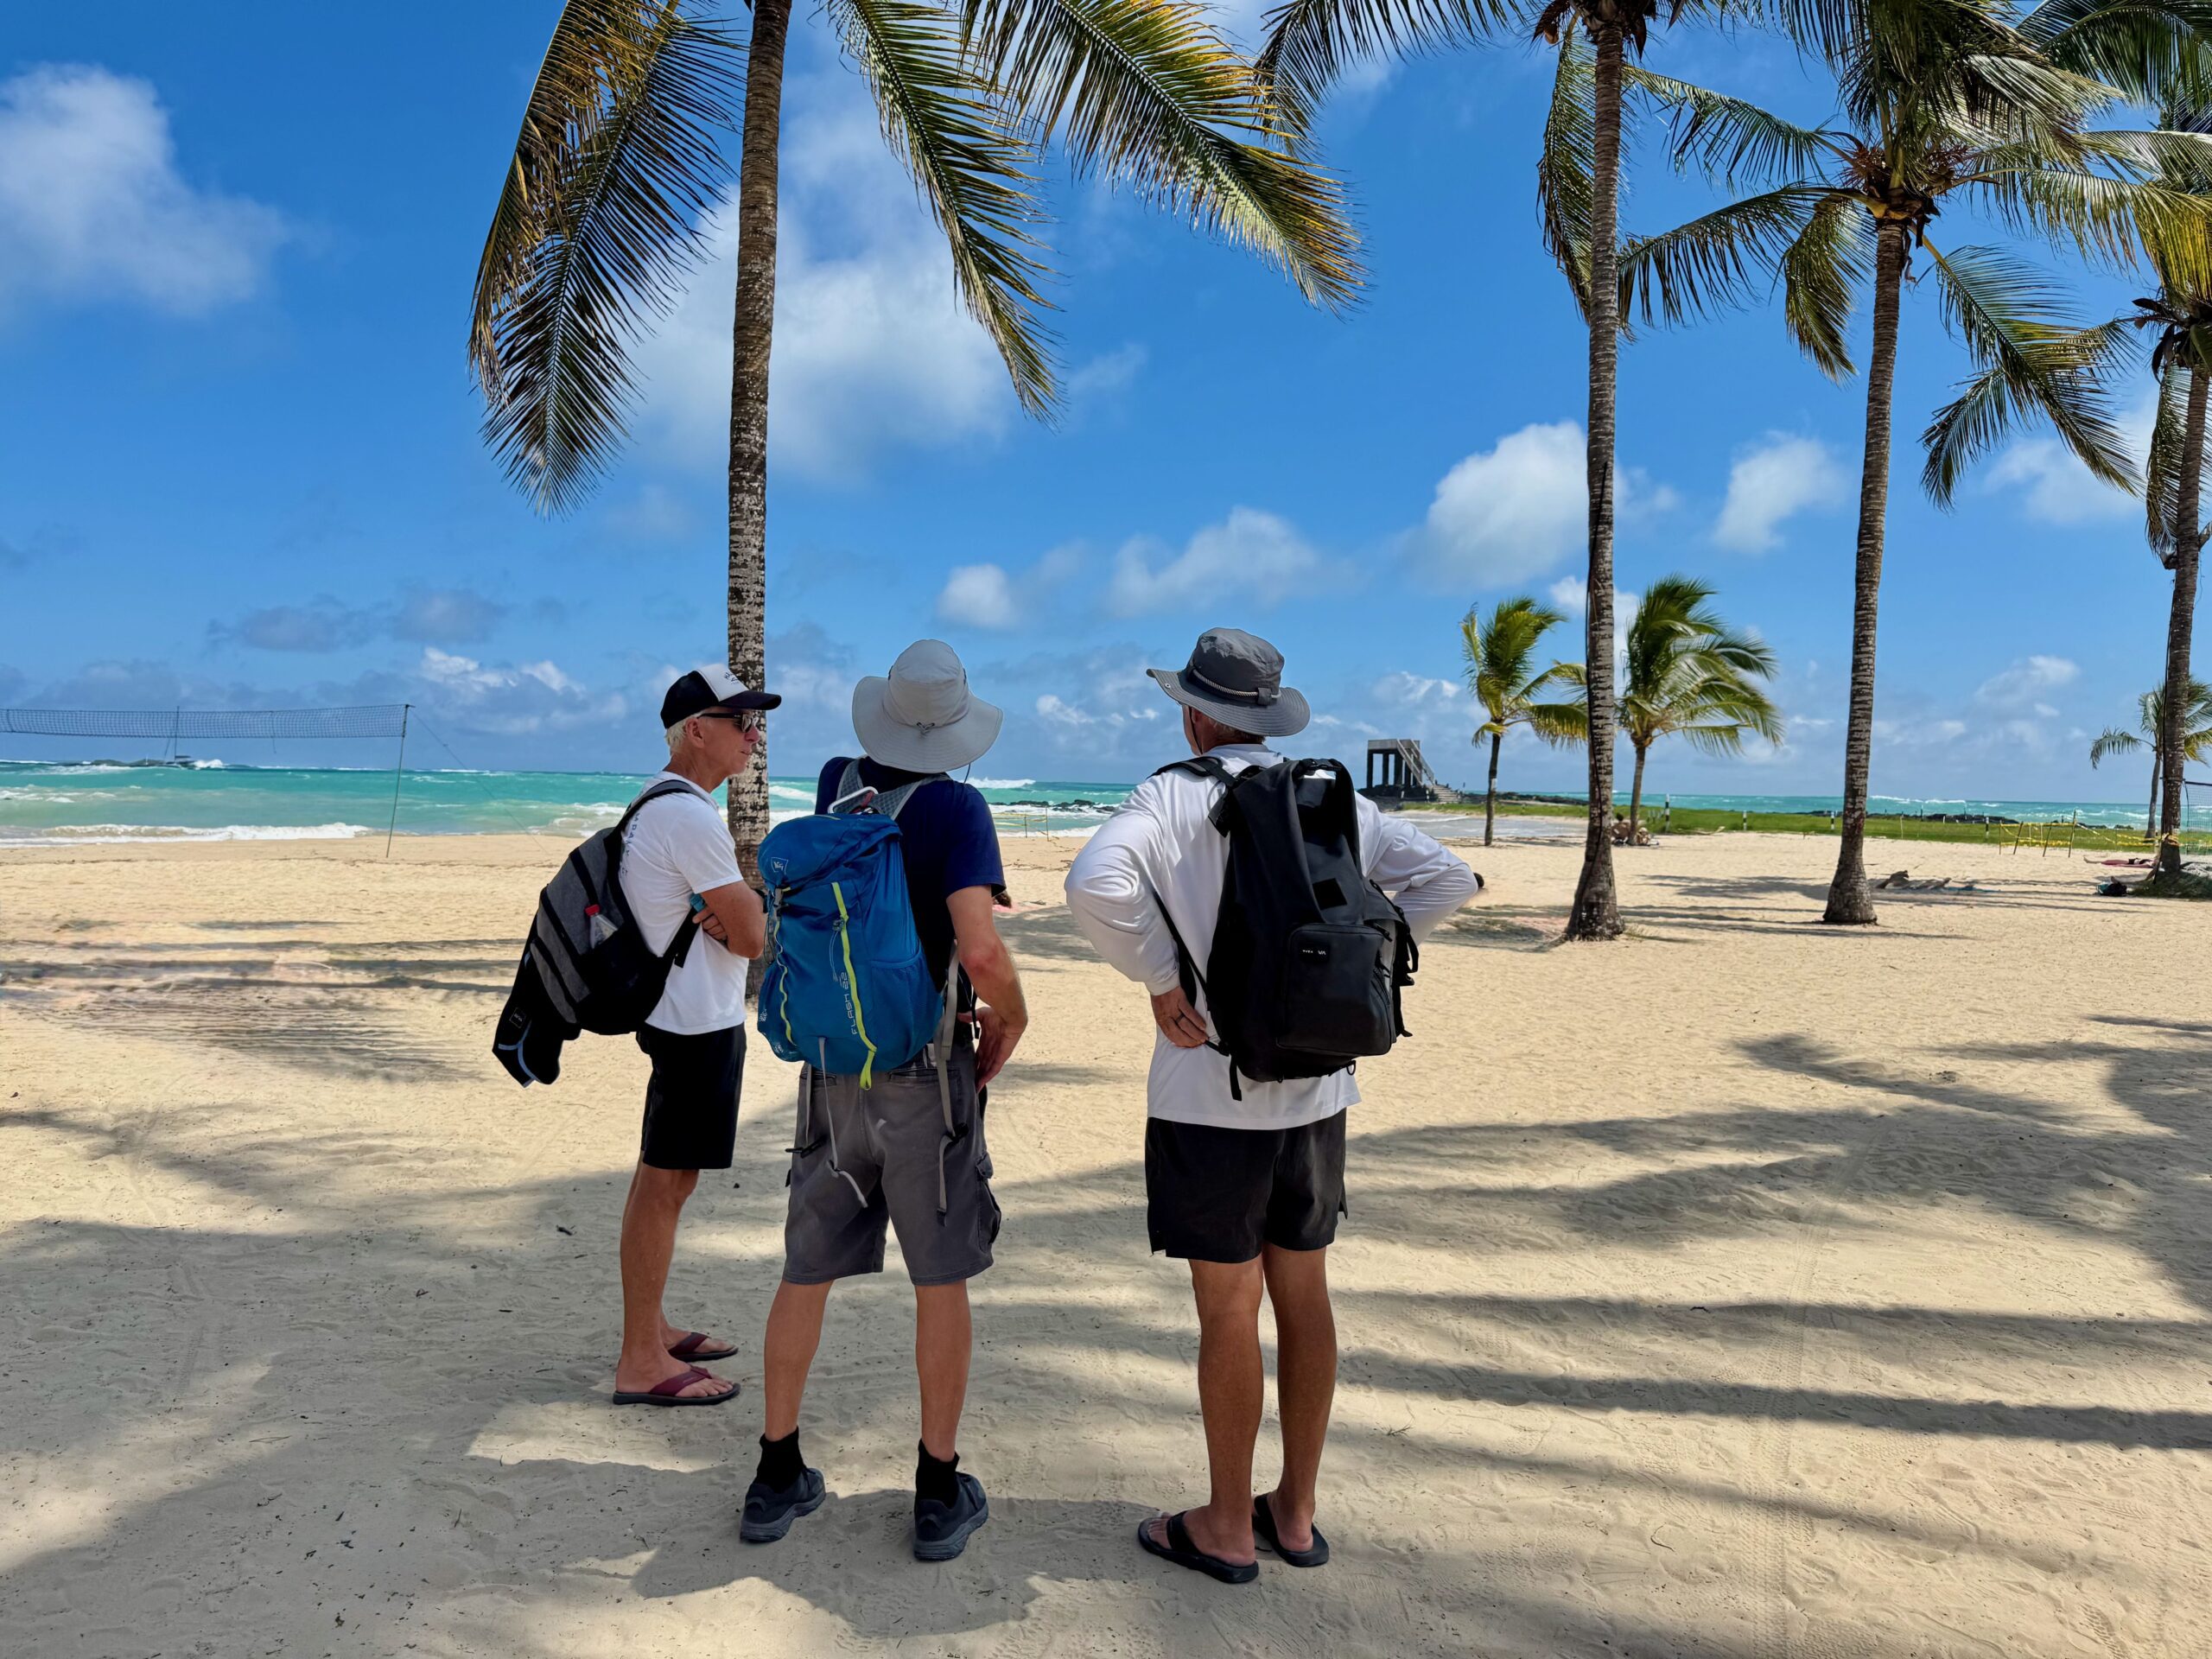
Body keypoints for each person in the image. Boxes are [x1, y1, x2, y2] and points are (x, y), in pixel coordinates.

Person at [1064, 627, 1480, 1583]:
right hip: (1320, 1088)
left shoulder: (1168, 796)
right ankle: (1293, 1512)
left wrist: (1163, 977)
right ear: (1267, 718)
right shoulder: (1331, 797)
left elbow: (1094, 884)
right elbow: (1449, 880)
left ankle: (1221, 1524)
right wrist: (1353, 965)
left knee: (1227, 1312)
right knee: (1305, 1297)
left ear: (1194, 715)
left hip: (1208, 1094)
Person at [743, 639, 1028, 1561]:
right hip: (923, 1074)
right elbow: (978, 950)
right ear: (955, 729)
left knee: (805, 1270)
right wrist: (1013, 1015)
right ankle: (937, 1491)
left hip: (832, 1068)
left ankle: (775, 1473)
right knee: (938, 1280)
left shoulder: (839, 783)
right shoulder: (957, 808)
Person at [607, 666, 777, 1408]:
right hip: (692, 1021)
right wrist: (745, 912)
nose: (754, 735)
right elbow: (752, 937)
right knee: (664, 1183)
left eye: (756, 722)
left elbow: (736, 925)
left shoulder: (662, 802)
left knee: (667, 1180)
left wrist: (736, 913)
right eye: (741, 722)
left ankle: (652, 1328)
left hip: (681, 1015)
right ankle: (641, 1360)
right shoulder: (689, 817)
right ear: (697, 731)